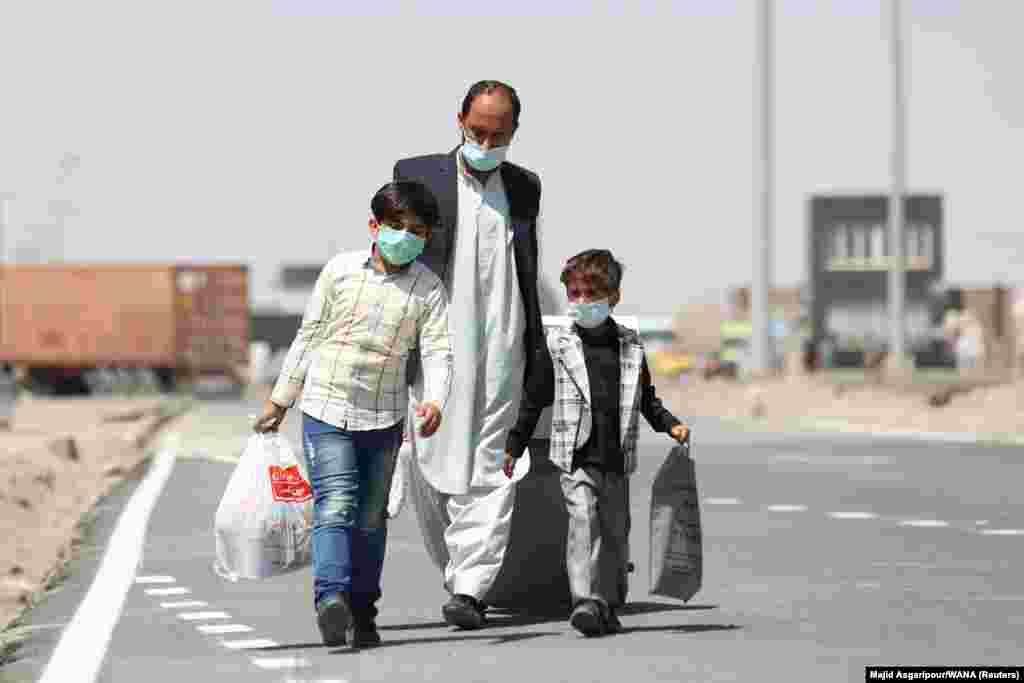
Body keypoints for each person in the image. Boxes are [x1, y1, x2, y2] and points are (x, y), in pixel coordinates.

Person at [253, 181, 453, 648]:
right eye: (396, 226)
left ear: (426, 238)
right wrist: (281, 400)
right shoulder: (340, 272)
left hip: (384, 418)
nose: (405, 236)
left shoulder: (428, 289)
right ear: (374, 226)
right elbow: (309, 335)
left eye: (417, 230)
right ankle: (331, 599)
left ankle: (363, 611)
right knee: (336, 503)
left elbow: (440, 351)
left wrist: (436, 399)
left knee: (371, 517)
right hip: (327, 407)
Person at [393, 79, 553, 629]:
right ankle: (455, 561)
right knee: (433, 455)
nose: (487, 141)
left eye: (499, 133)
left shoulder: (525, 186)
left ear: (514, 132)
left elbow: (527, 264)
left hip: (504, 336)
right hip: (440, 334)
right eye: (478, 130)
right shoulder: (418, 173)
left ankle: (470, 588)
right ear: (459, 119)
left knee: (493, 462)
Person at [504, 249, 690, 637]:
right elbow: (535, 398)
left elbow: (646, 398)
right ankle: (585, 600)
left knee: (615, 532)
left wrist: (670, 425)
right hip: (576, 457)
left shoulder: (630, 346)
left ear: (613, 297)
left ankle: (607, 599)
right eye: (574, 295)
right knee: (584, 522)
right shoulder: (559, 346)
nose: (582, 303)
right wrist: (515, 443)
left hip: (617, 459)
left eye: (591, 295)